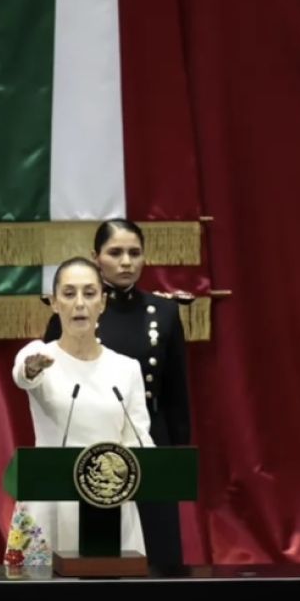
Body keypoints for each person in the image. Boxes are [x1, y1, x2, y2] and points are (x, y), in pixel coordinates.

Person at [43, 219, 192, 566]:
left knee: (157, 547)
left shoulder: (164, 313)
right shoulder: (78, 311)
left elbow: (175, 391)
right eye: (116, 252)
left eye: (134, 253)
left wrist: (175, 450)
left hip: (148, 437)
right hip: (90, 441)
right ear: (97, 258)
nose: (126, 261)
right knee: (94, 546)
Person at [4, 257, 155, 568]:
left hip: (110, 504)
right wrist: (32, 369)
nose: (80, 303)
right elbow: (23, 375)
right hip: (49, 502)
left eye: (89, 293)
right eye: (69, 294)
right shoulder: (39, 355)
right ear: (54, 302)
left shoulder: (126, 369)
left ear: (103, 302)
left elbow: (139, 440)